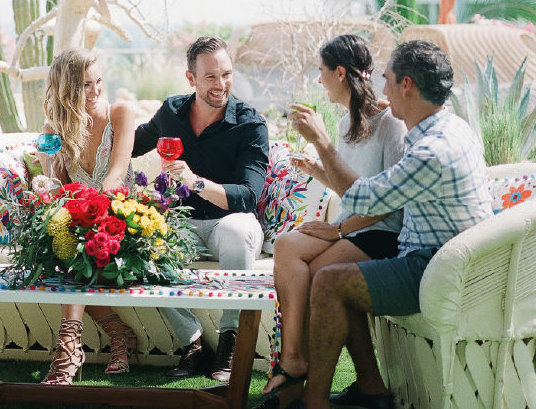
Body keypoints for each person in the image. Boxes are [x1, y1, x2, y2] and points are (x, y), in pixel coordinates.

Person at [281, 40, 493, 409]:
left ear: (407, 84)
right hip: (438, 258)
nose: (381, 89)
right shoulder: (443, 130)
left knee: (330, 281)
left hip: (435, 268)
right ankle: (371, 390)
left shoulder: (432, 152)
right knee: (338, 278)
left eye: (388, 79)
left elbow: (366, 199)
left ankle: (313, 401)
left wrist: (323, 145)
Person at [259, 35, 406, 406]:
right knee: (286, 244)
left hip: (380, 234)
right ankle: (293, 356)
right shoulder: (343, 125)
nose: (319, 79)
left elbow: (388, 205)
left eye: (322, 71)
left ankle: (299, 381)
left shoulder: (391, 125)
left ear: (340, 73)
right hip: (353, 226)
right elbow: (348, 186)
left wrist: (338, 229)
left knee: (319, 278)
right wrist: (316, 170)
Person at [133, 36, 269, 382]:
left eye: (227, 74)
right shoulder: (172, 112)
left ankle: (230, 341)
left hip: (231, 223)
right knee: (138, 245)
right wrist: (88, 135)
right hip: (184, 225)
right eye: (210, 77)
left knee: (238, 232)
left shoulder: (251, 124)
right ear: (190, 78)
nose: (221, 84)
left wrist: (195, 182)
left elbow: (248, 196)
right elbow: (133, 143)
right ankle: (193, 343)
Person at [36, 48, 138, 385]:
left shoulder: (121, 113)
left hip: (123, 220)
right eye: (84, 85)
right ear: (67, 90)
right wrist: (48, 177)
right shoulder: (57, 128)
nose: (95, 91)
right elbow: (60, 189)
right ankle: (116, 335)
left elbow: (117, 176)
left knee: (77, 249)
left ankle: (67, 356)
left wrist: (88, 216)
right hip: (84, 222)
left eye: (98, 82)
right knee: (61, 248)